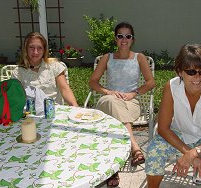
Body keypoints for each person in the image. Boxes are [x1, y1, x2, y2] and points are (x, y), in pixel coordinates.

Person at [145, 44, 201, 188]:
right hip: (180, 135)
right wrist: (189, 154)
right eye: (191, 72)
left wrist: (194, 152)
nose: (197, 77)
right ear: (180, 71)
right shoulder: (171, 87)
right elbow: (163, 128)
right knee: (154, 150)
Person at [89, 21, 155, 187]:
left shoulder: (139, 58)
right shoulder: (107, 58)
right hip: (107, 101)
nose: (124, 39)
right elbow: (93, 82)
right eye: (120, 36)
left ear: (132, 39)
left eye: (128, 36)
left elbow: (150, 83)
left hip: (131, 103)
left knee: (113, 119)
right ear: (115, 38)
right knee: (112, 101)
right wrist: (109, 92)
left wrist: (133, 93)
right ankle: (134, 147)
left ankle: (113, 170)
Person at [13, 32, 78, 107]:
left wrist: (75, 107)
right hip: (31, 113)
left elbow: (65, 89)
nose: (35, 52)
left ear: (44, 50)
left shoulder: (54, 66)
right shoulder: (18, 72)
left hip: (54, 111)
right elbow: (16, 98)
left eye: (40, 48)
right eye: (31, 47)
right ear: (26, 49)